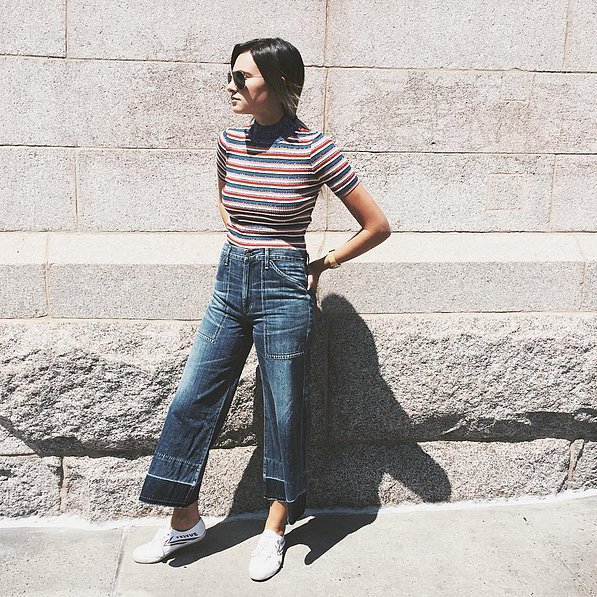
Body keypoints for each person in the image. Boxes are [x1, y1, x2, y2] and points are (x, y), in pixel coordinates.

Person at [132, 37, 391, 580]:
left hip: (284, 289)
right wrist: (242, 241)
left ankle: (275, 528)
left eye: (242, 77)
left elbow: (377, 226)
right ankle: (184, 520)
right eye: (231, 75)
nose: (230, 86)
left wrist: (322, 264)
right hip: (230, 282)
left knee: (284, 409)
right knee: (192, 398)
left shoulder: (316, 148)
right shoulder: (230, 140)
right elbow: (225, 197)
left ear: (276, 84)